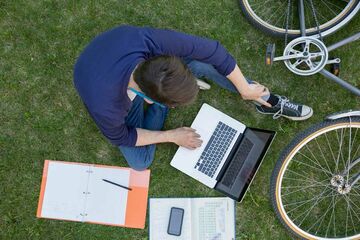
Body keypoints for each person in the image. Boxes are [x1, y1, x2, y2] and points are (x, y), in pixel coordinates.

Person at [74, 25, 312, 171]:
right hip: (107, 86)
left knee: (202, 63)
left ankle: (268, 101)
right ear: (148, 99)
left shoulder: (147, 41)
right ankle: (163, 110)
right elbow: (121, 136)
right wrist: (172, 136)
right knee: (139, 162)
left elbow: (215, 52)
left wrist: (244, 88)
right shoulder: (108, 106)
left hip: (127, 61)